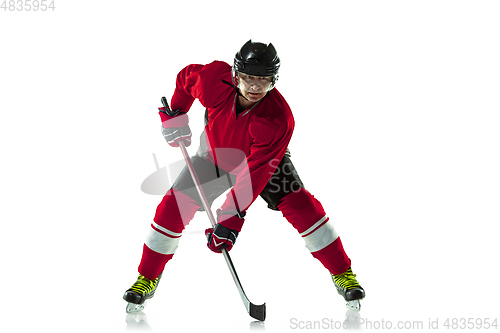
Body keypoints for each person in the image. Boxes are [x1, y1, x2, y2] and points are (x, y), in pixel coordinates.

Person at [123, 40, 365, 312]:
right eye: (249, 78)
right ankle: (147, 277)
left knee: (302, 206)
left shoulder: (278, 119)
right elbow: (186, 78)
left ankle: (343, 273)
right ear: (236, 74)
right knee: (172, 206)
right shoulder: (213, 79)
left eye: (263, 80)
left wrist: (230, 219)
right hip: (215, 156)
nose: (254, 87)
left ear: (273, 81)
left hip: (263, 163)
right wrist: (176, 114)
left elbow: (254, 175)